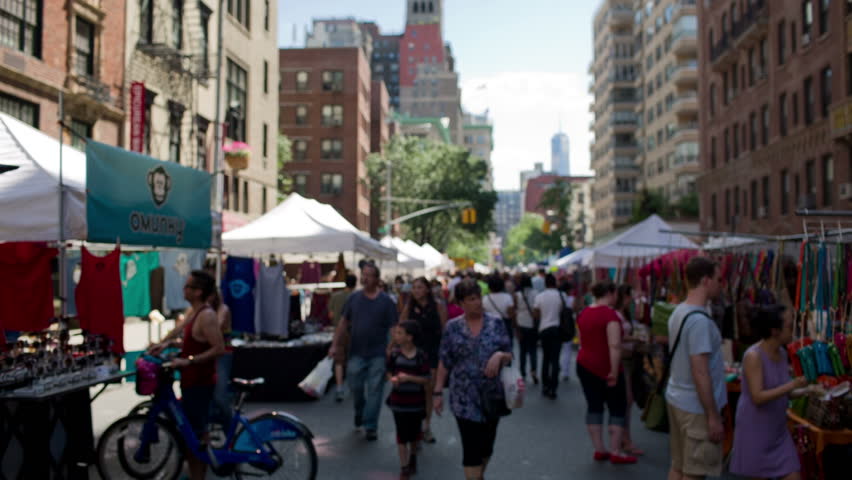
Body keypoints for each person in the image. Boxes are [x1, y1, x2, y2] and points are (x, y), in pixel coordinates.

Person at [148, 271, 225, 480]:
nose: (184, 289)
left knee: (197, 436)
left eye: (188, 286)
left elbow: (218, 348)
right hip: (191, 381)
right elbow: (193, 339)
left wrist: (188, 361)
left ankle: (198, 475)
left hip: (200, 383)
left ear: (198, 292)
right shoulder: (195, 312)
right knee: (193, 434)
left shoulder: (207, 315)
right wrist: (168, 344)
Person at [434, 279, 513, 480]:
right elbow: (444, 360)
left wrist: (499, 356)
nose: (477, 302)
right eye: (471, 299)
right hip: (463, 397)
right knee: (471, 448)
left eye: (478, 297)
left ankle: (478, 475)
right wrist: (437, 392)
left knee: (486, 447)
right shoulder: (452, 327)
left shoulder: (496, 323)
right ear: (460, 303)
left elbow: (509, 354)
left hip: (491, 395)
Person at [729, 305, 806, 480]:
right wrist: (792, 385)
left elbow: (784, 391)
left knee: (794, 474)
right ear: (774, 331)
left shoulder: (782, 353)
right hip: (755, 429)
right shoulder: (754, 356)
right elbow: (758, 396)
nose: (793, 328)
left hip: (777, 430)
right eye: (789, 325)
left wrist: (808, 389)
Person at [666, 256, 725, 480]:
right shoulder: (699, 321)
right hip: (695, 407)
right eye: (718, 279)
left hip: (678, 397)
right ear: (706, 280)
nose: (721, 284)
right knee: (695, 472)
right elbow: (700, 371)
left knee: (679, 466)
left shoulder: (679, 311)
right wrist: (712, 415)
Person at [329, 262, 398, 441]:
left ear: (377, 279)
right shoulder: (354, 299)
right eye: (363, 274)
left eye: (369, 275)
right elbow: (343, 323)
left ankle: (370, 425)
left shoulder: (386, 302)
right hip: (356, 353)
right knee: (356, 387)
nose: (365, 278)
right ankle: (360, 411)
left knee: (375, 389)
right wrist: (335, 345)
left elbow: (393, 328)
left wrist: (392, 349)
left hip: (378, 354)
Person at [575, 281, 636, 465]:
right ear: (610, 293)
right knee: (617, 407)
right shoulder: (610, 315)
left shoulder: (583, 313)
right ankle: (616, 450)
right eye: (615, 293)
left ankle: (599, 449)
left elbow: (583, 339)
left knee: (594, 406)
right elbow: (615, 345)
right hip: (606, 367)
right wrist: (614, 371)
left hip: (585, 364)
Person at [401, 277, 448, 443]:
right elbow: (402, 328)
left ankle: (426, 426)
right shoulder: (409, 307)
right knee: (414, 391)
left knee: (428, 389)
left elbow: (444, 330)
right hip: (413, 353)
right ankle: (415, 425)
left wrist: (446, 353)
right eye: (414, 287)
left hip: (432, 351)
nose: (416, 290)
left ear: (427, 289)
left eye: (420, 287)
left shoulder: (438, 306)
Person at [386, 321, 432, 480]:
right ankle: (404, 466)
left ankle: (413, 456)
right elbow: (389, 371)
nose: (396, 336)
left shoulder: (421, 356)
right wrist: (393, 379)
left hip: (416, 403)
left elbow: (426, 379)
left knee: (414, 434)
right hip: (398, 401)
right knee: (401, 434)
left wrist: (409, 378)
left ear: (409, 337)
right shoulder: (394, 354)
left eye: (399, 333)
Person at [614, 284, 643, 456]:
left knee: (627, 401)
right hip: (623, 360)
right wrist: (634, 339)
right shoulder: (617, 315)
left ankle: (624, 438)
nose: (630, 300)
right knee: (626, 400)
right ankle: (624, 439)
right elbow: (617, 338)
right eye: (628, 296)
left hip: (628, 360)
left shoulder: (623, 314)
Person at [532, 274, 569, 399]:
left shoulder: (539, 296)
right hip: (557, 329)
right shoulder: (562, 295)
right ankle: (553, 387)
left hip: (544, 329)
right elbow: (566, 310)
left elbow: (536, 315)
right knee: (555, 360)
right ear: (555, 283)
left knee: (546, 359)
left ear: (545, 284)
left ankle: (545, 386)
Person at [328, 273, 358, 402]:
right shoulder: (358, 297)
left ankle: (340, 387)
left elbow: (330, 314)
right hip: (354, 331)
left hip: (338, 331)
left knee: (339, 361)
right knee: (353, 358)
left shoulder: (335, 296)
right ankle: (352, 386)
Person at [515, 274, 539, 384]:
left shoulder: (517, 295)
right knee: (533, 350)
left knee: (522, 351)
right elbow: (537, 310)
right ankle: (533, 371)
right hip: (532, 324)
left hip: (521, 323)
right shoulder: (535, 293)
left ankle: (523, 372)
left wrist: (515, 328)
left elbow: (515, 310)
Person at [482, 274, 516, 342]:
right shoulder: (507, 297)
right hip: (505, 325)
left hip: (490, 326)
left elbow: (483, 314)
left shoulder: (485, 298)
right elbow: (511, 314)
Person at [558, 280, 576, 382]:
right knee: (567, 349)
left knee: (560, 348)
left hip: (558, 325)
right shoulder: (571, 299)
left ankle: (560, 365)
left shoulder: (558, 297)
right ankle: (565, 371)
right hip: (568, 326)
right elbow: (575, 309)